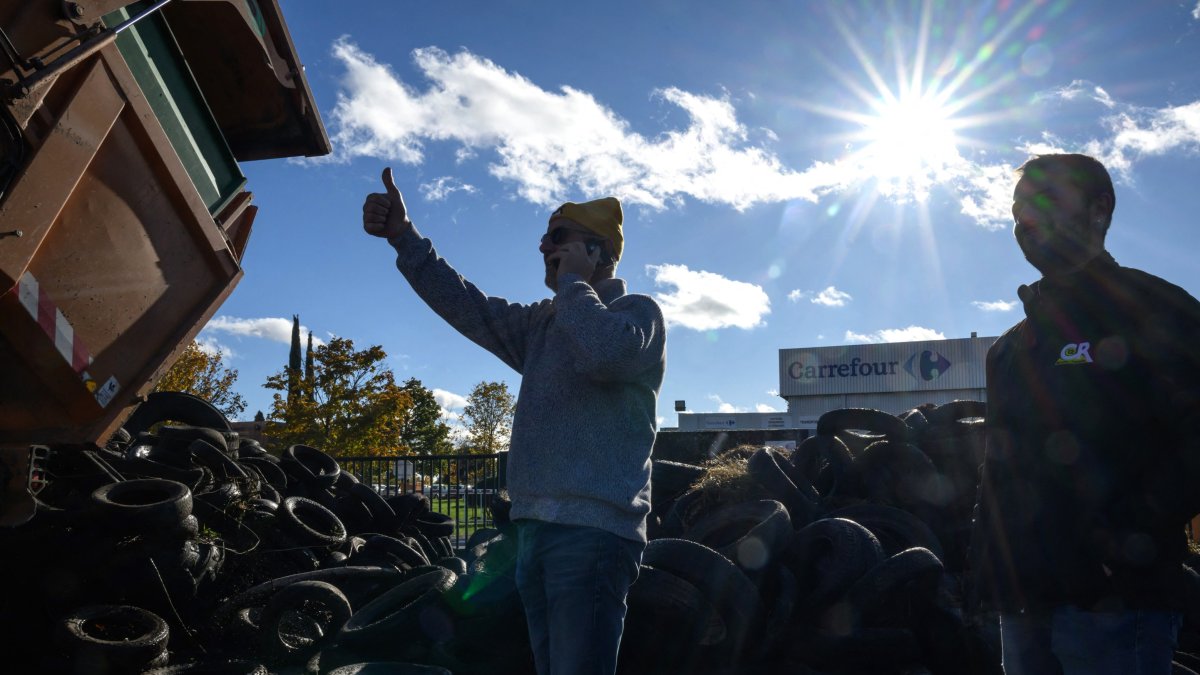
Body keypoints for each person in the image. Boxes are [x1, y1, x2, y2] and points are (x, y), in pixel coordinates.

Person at [363, 168, 666, 675]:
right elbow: (467, 305)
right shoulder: (544, 323)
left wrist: (573, 285)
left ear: (595, 251)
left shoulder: (637, 313)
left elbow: (605, 356)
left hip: (592, 534)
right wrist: (404, 238)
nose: (543, 245)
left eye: (557, 236)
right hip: (534, 531)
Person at [969, 153, 1200, 674]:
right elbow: (999, 466)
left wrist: (1125, 543)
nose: (1026, 221)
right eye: (1018, 208)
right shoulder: (1010, 349)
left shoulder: (1158, 310)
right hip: (1023, 606)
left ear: (1100, 210)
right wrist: (986, 568)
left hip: (1117, 609)